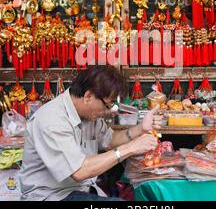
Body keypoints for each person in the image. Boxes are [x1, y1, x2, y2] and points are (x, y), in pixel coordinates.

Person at [19, 65, 162, 201]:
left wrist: (141, 128)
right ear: (88, 96)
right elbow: (80, 171)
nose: (108, 112)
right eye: (107, 105)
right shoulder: (52, 120)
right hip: (50, 195)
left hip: (81, 189)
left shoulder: (88, 115)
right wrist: (130, 148)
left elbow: (110, 140)